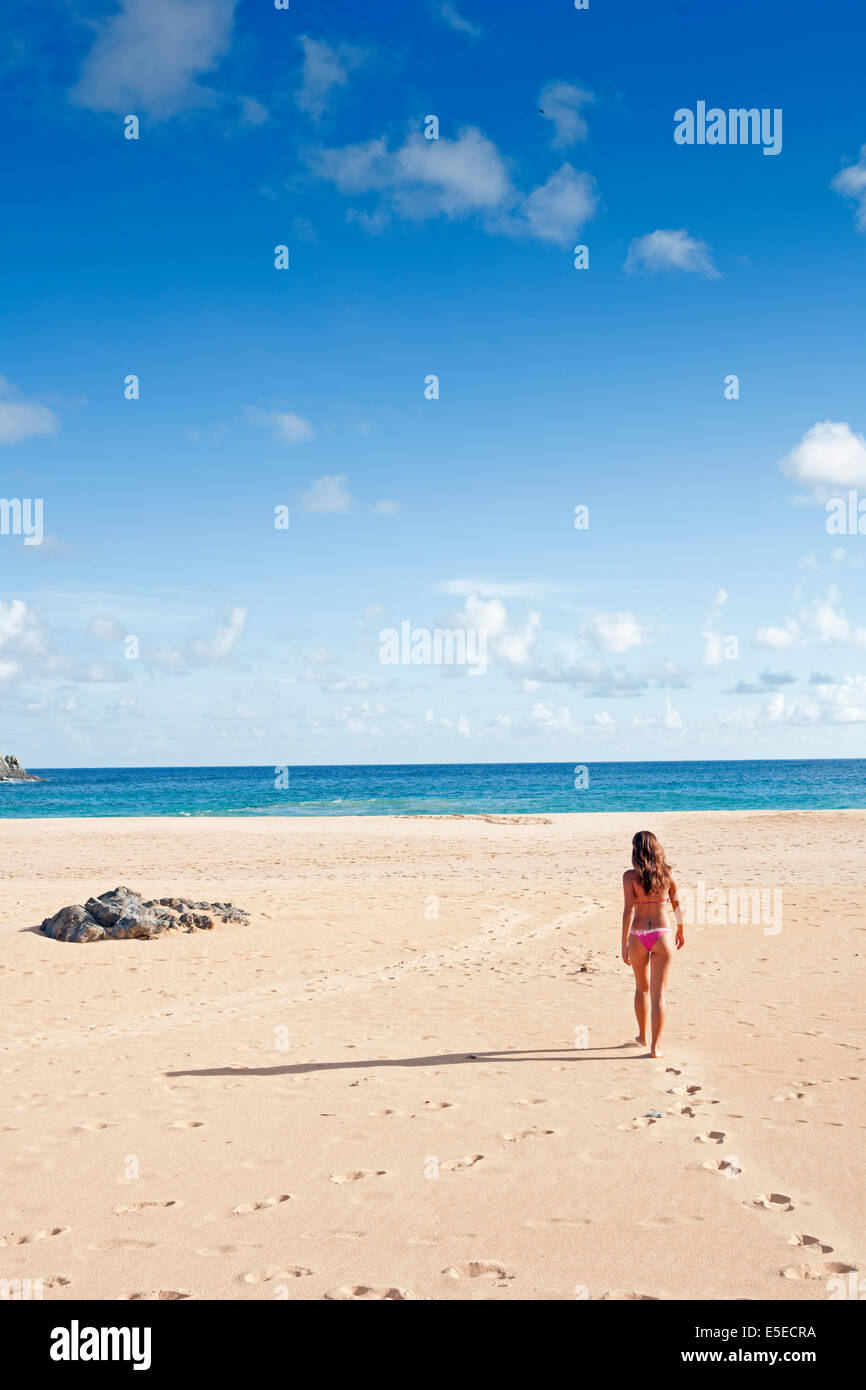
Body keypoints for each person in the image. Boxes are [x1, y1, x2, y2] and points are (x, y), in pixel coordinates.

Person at [621, 830, 684, 1057]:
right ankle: (655, 1047)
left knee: (642, 988)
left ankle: (642, 1036)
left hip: (638, 934)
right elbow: (677, 905)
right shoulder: (667, 874)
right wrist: (681, 930)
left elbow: (628, 910)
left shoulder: (630, 877)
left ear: (636, 850)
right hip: (662, 934)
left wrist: (623, 943)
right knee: (659, 994)